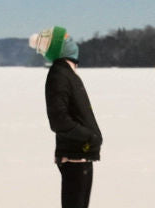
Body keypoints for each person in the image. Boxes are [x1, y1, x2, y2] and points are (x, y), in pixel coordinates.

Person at [30, 25, 102, 208]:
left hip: (81, 154)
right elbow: (58, 120)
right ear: (59, 47)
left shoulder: (67, 73)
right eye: (67, 38)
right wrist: (88, 137)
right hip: (74, 156)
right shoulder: (59, 75)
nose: (72, 41)